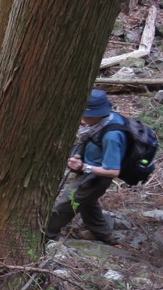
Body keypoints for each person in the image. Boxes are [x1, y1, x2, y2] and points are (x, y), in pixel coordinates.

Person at [45, 90, 127, 244]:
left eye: (87, 116)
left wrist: (84, 167)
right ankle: (104, 234)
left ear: (98, 114)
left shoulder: (112, 136)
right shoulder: (101, 122)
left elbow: (113, 171)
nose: (83, 119)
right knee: (87, 202)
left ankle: (47, 235)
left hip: (96, 177)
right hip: (89, 169)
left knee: (67, 203)